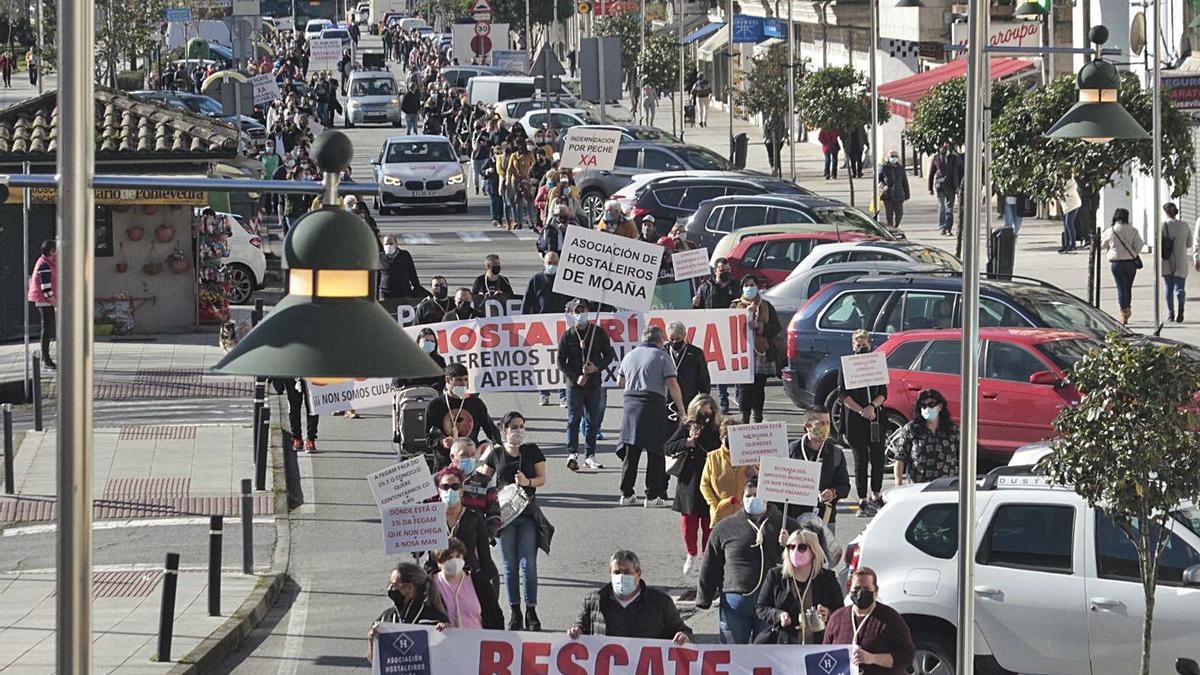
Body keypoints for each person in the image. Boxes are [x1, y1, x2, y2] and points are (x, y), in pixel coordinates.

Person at [697, 478, 796, 645]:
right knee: (731, 654)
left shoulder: (787, 526)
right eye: (748, 495)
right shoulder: (725, 527)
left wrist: (790, 545)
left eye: (757, 495)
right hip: (735, 602)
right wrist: (704, 597)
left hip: (771, 603)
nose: (752, 499)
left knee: (766, 654)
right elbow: (710, 564)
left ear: (768, 497)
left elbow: (804, 559)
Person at [479, 412, 548, 631]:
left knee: (528, 564)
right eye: (514, 427)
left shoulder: (532, 451)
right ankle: (515, 611)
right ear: (504, 430)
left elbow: (542, 479)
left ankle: (531, 609)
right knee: (509, 566)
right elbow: (481, 480)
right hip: (504, 518)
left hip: (527, 515)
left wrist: (527, 481)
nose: (518, 431)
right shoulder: (496, 454)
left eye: (521, 426)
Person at [617, 326, 687, 507]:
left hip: (630, 406)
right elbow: (672, 383)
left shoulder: (630, 355)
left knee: (631, 452)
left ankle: (626, 494)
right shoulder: (663, 357)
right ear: (659, 341)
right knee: (655, 452)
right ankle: (651, 495)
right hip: (653, 405)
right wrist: (681, 410)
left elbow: (620, 382)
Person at [567, 550, 694, 644]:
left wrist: (684, 636)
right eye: (617, 572)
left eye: (627, 572)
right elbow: (580, 627)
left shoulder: (660, 603)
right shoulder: (593, 600)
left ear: (638, 574)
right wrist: (576, 631)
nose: (621, 576)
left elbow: (684, 631)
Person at [664, 395, 722, 575]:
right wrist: (687, 442)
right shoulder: (687, 427)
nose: (706, 414)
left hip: (711, 480)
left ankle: (706, 557)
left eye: (709, 411)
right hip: (690, 481)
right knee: (688, 524)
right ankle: (691, 554)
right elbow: (667, 447)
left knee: (708, 523)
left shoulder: (717, 429)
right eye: (703, 411)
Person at [755, 529, 843, 644]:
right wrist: (778, 615)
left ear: (813, 552)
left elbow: (840, 609)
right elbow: (761, 607)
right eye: (791, 547)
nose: (795, 551)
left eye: (802, 547)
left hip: (818, 644)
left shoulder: (827, 578)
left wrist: (828, 613)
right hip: (786, 645)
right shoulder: (776, 576)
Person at [557, 300, 617, 471]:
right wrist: (576, 377)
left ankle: (590, 455)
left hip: (594, 384)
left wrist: (597, 367)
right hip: (575, 385)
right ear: (572, 313)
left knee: (592, 421)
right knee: (573, 419)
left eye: (583, 310)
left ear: (588, 311)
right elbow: (561, 362)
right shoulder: (568, 335)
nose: (580, 313)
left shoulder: (597, 332)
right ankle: (572, 453)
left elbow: (609, 354)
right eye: (577, 311)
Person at [823, 567, 915, 674]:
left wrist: (872, 658)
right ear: (849, 590)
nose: (861, 593)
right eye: (856, 589)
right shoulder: (837, 618)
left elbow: (906, 656)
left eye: (866, 589)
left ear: (876, 591)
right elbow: (825, 653)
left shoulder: (890, 618)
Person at [840, 330, 888, 517]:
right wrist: (861, 410)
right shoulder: (846, 366)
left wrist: (871, 407)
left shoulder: (876, 364)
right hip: (855, 419)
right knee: (861, 461)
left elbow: (883, 392)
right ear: (853, 345)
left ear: (870, 343)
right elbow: (843, 395)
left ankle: (876, 495)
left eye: (864, 344)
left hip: (875, 418)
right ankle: (862, 500)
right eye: (857, 345)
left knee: (878, 458)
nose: (861, 348)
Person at [432, 466, 500, 595]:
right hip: (439, 581)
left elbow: (484, 555)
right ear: (439, 491)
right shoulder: (431, 518)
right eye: (445, 487)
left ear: (462, 491)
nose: (450, 491)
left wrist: (487, 585)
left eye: (455, 487)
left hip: (470, 577)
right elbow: (419, 551)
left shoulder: (474, 518)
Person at [366, 562, 449, 664]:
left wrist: (449, 634)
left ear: (410, 587)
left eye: (394, 585)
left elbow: (447, 658)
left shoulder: (434, 619)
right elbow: (374, 661)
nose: (390, 589)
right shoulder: (385, 618)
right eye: (390, 585)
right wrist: (371, 639)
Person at [424, 364, 503, 470]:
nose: (463, 384)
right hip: (444, 463)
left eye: (466, 380)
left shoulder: (475, 403)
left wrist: (499, 446)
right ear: (447, 380)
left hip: (471, 461)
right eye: (458, 380)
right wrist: (441, 442)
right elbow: (429, 437)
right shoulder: (435, 405)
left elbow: (490, 428)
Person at [785, 407, 850, 531]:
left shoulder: (835, 453)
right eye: (820, 424)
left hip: (824, 519)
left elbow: (845, 487)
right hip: (793, 518)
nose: (825, 427)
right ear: (808, 426)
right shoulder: (791, 450)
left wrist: (833, 492)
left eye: (828, 423)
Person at [731, 275, 780, 424]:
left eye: (752, 285)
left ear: (757, 287)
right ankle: (744, 418)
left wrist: (760, 327)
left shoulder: (766, 305)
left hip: (761, 353)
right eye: (746, 285)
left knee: (759, 387)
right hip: (742, 353)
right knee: (745, 387)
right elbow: (729, 328)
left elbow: (776, 328)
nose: (749, 288)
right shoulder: (735, 306)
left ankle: (757, 418)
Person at [694, 259, 740, 412]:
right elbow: (697, 312)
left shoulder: (737, 286)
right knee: (721, 369)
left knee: (736, 366)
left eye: (728, 269)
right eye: (722, 270)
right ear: (716, 271)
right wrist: (695, 303)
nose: (726, 272)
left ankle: (739, 396)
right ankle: (723, 401)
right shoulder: (705, 288)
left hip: (735, 334)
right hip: (715, 334)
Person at [430, 537, 505, 629]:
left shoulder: (480, 582)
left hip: (478, 640)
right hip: (446, 642)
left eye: (458, 556)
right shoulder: (430, 585)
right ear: (438, 562)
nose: (454, 561)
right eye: (449, 558)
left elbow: (495, 615)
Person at [891, 388, 959, 486]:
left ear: (940, 406)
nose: (927, 408)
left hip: (947, 485)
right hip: (918, 486)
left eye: (931, 405)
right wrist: (898, 483)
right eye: (923, 405)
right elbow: (900, 458)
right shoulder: (911, 429)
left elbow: (962, 457)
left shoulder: (952, 430)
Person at [699, 419, 751, 526]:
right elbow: (704, 484)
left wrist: (755, 473)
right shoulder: (713, 457)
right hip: (721, 515)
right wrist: (714, 504)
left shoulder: (751, 457)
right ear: (721, 438)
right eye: (729, 437)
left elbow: (763, 484)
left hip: (745, 515)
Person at [448, 438, 500, 537]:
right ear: (452, 457)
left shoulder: (485, 482)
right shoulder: (439, 481)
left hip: (474, 540)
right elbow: (428, 512)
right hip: (445, 541)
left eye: (472, 455)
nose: (469, 458)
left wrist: (486, 538)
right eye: (464, 455)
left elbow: (494, 514)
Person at [1101, 207, 1143, 325]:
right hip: (1130, 263)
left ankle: (1123, 313)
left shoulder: (1110, 231)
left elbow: (1102, 245)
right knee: (1128, 287)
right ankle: (1127, 309)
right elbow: (1139, 246)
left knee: (1121, 288)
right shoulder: (1133, 230)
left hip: (1117, 263)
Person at [664, 321, 710, 410]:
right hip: (668, 400)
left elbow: (704, 378)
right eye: (672, 339)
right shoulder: (663, 352)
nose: (674, 342)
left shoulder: (696, 352)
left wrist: (704, 401)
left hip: (689, 400)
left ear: (684, 335)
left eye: (678, 339)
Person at [27, 239, 57, 370]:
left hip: (46, 300)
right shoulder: (44, 265)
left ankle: (46, 358)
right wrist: (54, 302)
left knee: (48, 328)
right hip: (44, 301)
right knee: (47, 328)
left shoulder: (47, 262)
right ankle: (46, 358)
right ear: (52, 251)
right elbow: (46, 288)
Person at [1161, 202, 1191, 323]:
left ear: (1166, 212)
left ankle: (1170, 314)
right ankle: (1181, 308)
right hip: (1181, 260)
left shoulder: (1163, 225)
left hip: (1167, 260)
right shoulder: (1184, 225)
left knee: (1168, 288)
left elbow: (1158, 243)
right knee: (1180, 287)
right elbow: (1189, 243)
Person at [521, 251, 571, 317]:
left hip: (562, 318)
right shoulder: (536, 279)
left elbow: (572, 300)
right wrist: (523, 318)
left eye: (555, 263)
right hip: (542, 318)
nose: (552, 265)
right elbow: (527, 302)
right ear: (544, 263)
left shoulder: (565, 279)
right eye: (549, 263)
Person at [927, 143, 963, 236]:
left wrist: (958, 186)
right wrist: (930, 188)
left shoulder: (954, 158)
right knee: (942, 207)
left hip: (951, 186)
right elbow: (931, 174)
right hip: (940, 186)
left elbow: (959, 172)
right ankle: (942, 227)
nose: (944, 148)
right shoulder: (936, 158)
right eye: (942, 146)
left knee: (949, 208)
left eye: (946, 146)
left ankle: (948, 228)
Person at [378, 235, 425, 300]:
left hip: (404, 293)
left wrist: (416, 288)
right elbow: (377, 276)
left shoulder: (404, 255)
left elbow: (412, 273)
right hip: (385, 293)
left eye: (391, 243)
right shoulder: (380, 257)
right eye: (386, 244)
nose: (389, 246)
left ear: (396, 244)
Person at [281, 378, 318, 452]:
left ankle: (311, 439)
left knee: (313, 406)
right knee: (293, 407)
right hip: (292, 373)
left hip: (311, 373)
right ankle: (297, 438)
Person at [877, 150, 910, 228]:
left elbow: (905, 182)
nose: (894, 158)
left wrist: (907, 194)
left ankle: (896, 226)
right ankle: (891, 229)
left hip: (899, 194)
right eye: (892, 156)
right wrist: (883, 186)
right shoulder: (884, 168)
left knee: (899, 214)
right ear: (888, 157)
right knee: (889, 215)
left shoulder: (900, 168)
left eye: (896, 156)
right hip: (887, 195)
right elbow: (879, 180)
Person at [1058, 179, 1082, 254]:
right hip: (1066, 205)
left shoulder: (1069, 179)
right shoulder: (1057, 181)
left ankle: (1073, 245)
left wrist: (1065, 193)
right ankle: (1066, 245)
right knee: (1065, 225)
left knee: (1069, 223)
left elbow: (1074, 187)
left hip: (1073, 204)